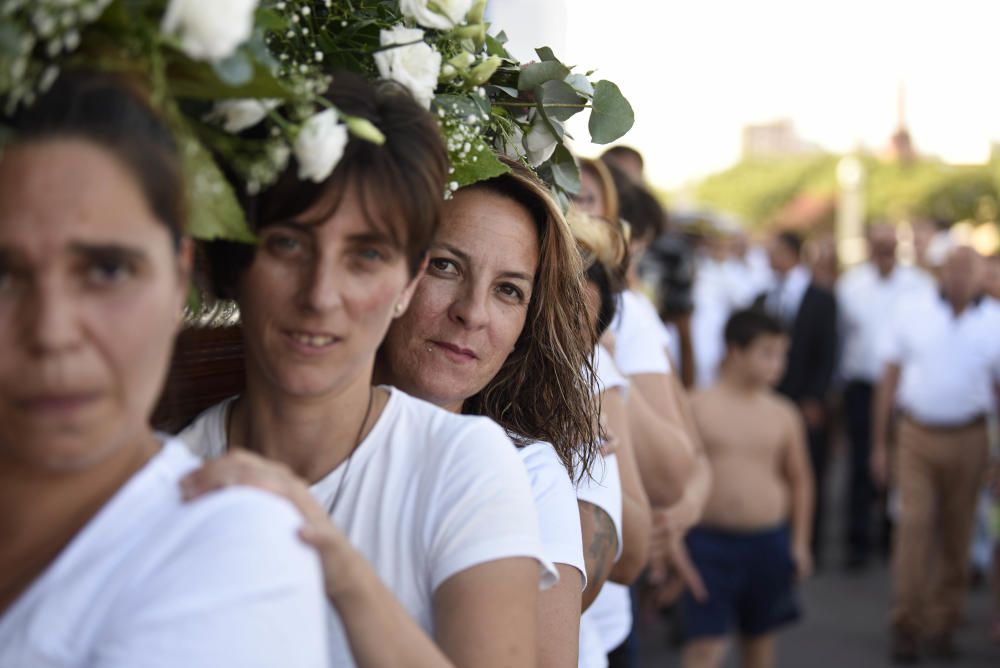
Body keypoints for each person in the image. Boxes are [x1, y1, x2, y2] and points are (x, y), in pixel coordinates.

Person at [179, 76, 552, 667]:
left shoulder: (463, 466)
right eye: (289, 244)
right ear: (235, 263)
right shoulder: (174, 480)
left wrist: (336, 566)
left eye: (367, 255)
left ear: (407, 282)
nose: (321, 295)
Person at [0, 71, 329, 666]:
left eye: (106, 271)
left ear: (179, 276)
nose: (51, 332)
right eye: (3, 276)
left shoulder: (235, 557)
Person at [374, 160, 602, 666]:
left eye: (508, 290)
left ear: (527, 324)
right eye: (445, 265)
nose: (472, 312)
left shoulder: (530, 475)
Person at [872, 245, 1000, 662]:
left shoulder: (993, 321)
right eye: (954, 268)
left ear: (981, 275)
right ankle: (907, 620)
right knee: (914, 525)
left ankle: (944, 620)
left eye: (970, 269)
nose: (961, 277)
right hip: (917, 433)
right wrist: (879, 444)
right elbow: (888, 378)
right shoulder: (914, 310)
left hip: (970, 435)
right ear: (941, 271)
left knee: (959, 531)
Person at [682, 309, 813, 668]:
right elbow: (676, 480)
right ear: (735, 352)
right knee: (704, 647)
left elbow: (800, 480)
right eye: (767, 352)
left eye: (782, 354)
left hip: (767, 542)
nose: (778, 364)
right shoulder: (697, 405)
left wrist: (800, 543)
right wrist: (675, 547)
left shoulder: (784, 413)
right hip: (708, 545)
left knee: (759, 646)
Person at [835, 223, 932, 571]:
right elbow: (842, 338)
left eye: (889, 246)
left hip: (905, 389)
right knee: (862, 464)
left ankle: (893, 538)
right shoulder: (851, 285)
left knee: (903, 464)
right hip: (862, 387)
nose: (884, 253)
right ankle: (858, 541)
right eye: (878, 246)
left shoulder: (919, 285)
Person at [755, 231, 837, 565]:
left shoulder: (821, 298)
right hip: (768, 399)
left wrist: (816, 397)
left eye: (774, 251)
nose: (768, 257)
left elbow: (829, 351)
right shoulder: (762, 297)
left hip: (805, 399)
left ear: (790, 253)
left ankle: (809, 543)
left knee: (808, 468)